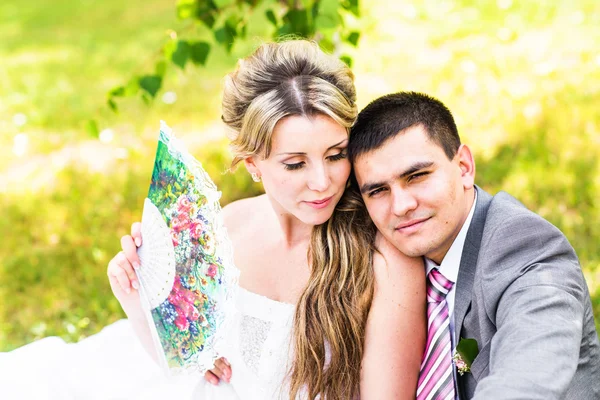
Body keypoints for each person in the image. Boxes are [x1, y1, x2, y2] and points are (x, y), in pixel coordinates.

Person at [108, 41, 426, 400]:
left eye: (336, 155)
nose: (323, 182)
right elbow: (197, 372)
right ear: (252, 165)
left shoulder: (384, 259)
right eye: (295, 163)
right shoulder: (226, 230)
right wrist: (137, 298)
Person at [348, 91, 600, 399]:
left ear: (465, 167)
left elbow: (528, 376)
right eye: (378, 191)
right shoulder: (385, 258)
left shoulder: (528, 251)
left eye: (416, 176)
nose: (400, 205)